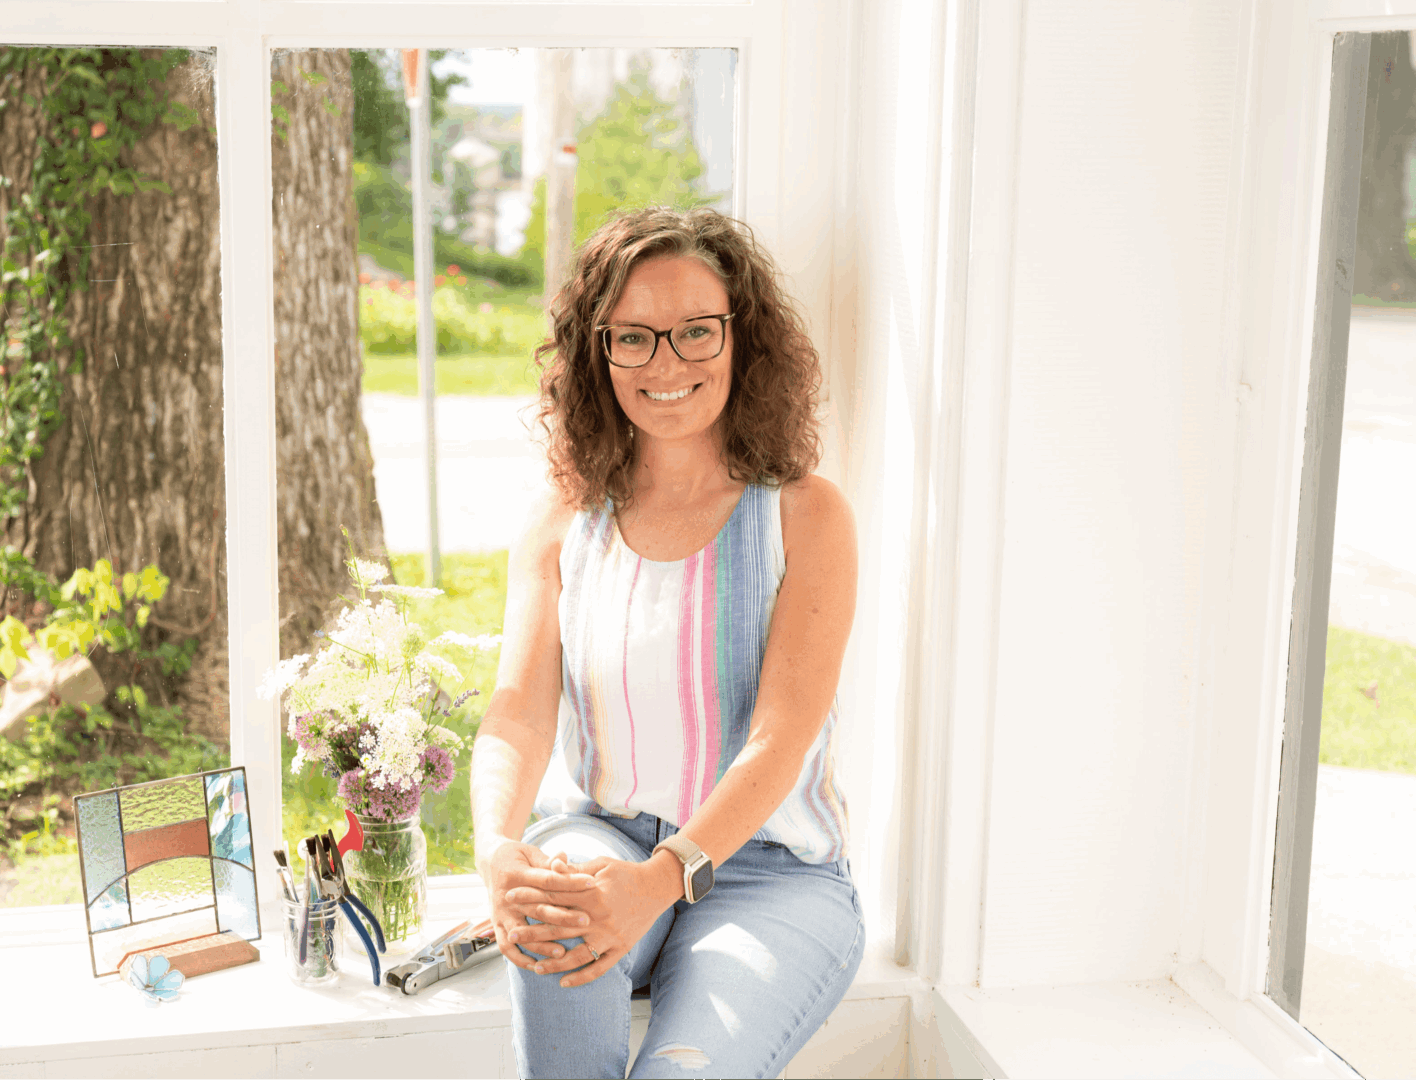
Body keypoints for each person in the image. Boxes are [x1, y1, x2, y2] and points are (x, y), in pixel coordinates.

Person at [470, 206, 862, 1079]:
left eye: (695, 331)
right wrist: (496, 849)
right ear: (597, 354)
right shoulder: (562, 519)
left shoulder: (807, 515)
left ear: (741, 337)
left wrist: (660, 879)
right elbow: (517, 714)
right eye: (633, 337)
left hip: (771, 873)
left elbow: (780, 738)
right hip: (604, 836)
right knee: (551, 922)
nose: (666, 363)